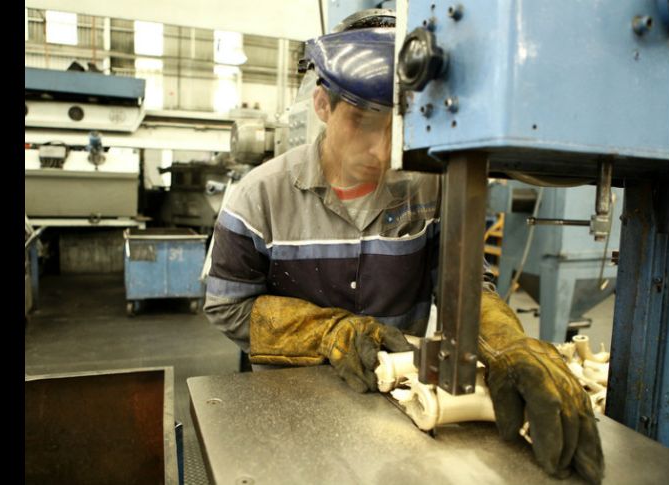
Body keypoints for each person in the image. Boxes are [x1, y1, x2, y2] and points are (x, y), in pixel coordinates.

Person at [204, 15, 604, 485]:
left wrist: (508, 345)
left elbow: (465, 286)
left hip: (398, 409)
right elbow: (228, 306)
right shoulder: (258, 196)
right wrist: (328, 332)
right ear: (322, 104)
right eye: (362, 121)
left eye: (397, 124)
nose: (381, 149)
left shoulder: (432, 189)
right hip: (288, 406)